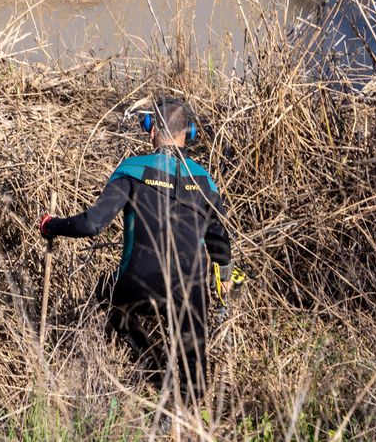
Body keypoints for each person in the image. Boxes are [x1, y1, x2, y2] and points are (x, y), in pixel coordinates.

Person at [38, 97, 237, 407]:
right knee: (195, 376)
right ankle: (188, 412)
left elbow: (92, 224)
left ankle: (156, 369)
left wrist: (51, 225)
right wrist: (224, 276)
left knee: (107, 291)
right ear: (190, 133)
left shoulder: (132, 169)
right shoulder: (205, 181)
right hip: (190, 289)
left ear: (151, 129)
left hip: (138, 285)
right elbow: (220, 242)